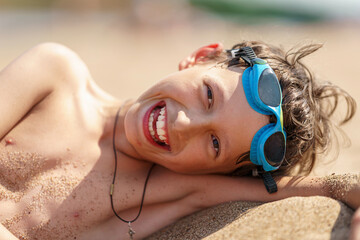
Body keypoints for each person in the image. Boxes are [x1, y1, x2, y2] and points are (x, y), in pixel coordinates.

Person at [0, 41, 358, 240]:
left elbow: (336, 187)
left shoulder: (174, 191)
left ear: (212, 172)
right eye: (208, 95)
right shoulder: (56, 77)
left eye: (214, 144)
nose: (184, 124)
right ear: (201, 57)